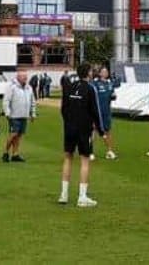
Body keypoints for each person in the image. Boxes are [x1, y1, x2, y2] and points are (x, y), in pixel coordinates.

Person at [59, 62, 103, 207]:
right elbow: (95, 111)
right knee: (85, 160)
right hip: (84, 129)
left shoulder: (70, 87)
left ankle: (64, 194)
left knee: (68, 157)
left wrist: (68, 122)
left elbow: (63, 108)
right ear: (89, 73)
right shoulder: (90, 89)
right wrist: (101, 131)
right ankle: (82, 196)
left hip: (69, 128)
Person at [2, 70, 37, 162]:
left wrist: (32, 113)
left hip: (24, 115)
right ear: (18, 77)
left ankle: (15, 154)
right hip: (14, 115)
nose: (25, 78)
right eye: (23, 77)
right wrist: (7, 112)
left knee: (19, 136)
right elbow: (6, 100)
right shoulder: (12, 87)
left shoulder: (29, 88)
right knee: (13, 134)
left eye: (26, 76)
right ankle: (5, 152)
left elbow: (32, 101)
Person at [93, 67, 118, 160]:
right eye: (103, 71)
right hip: (97, 111)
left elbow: (112, 95)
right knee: (94, 131)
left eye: (106, 71)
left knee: (108, 131)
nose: (105, 73)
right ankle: (91, 151)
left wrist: (113, 96)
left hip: (107, 111)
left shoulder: (109, 83)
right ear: (99, 73)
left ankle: (109, 151)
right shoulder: (95, 83)